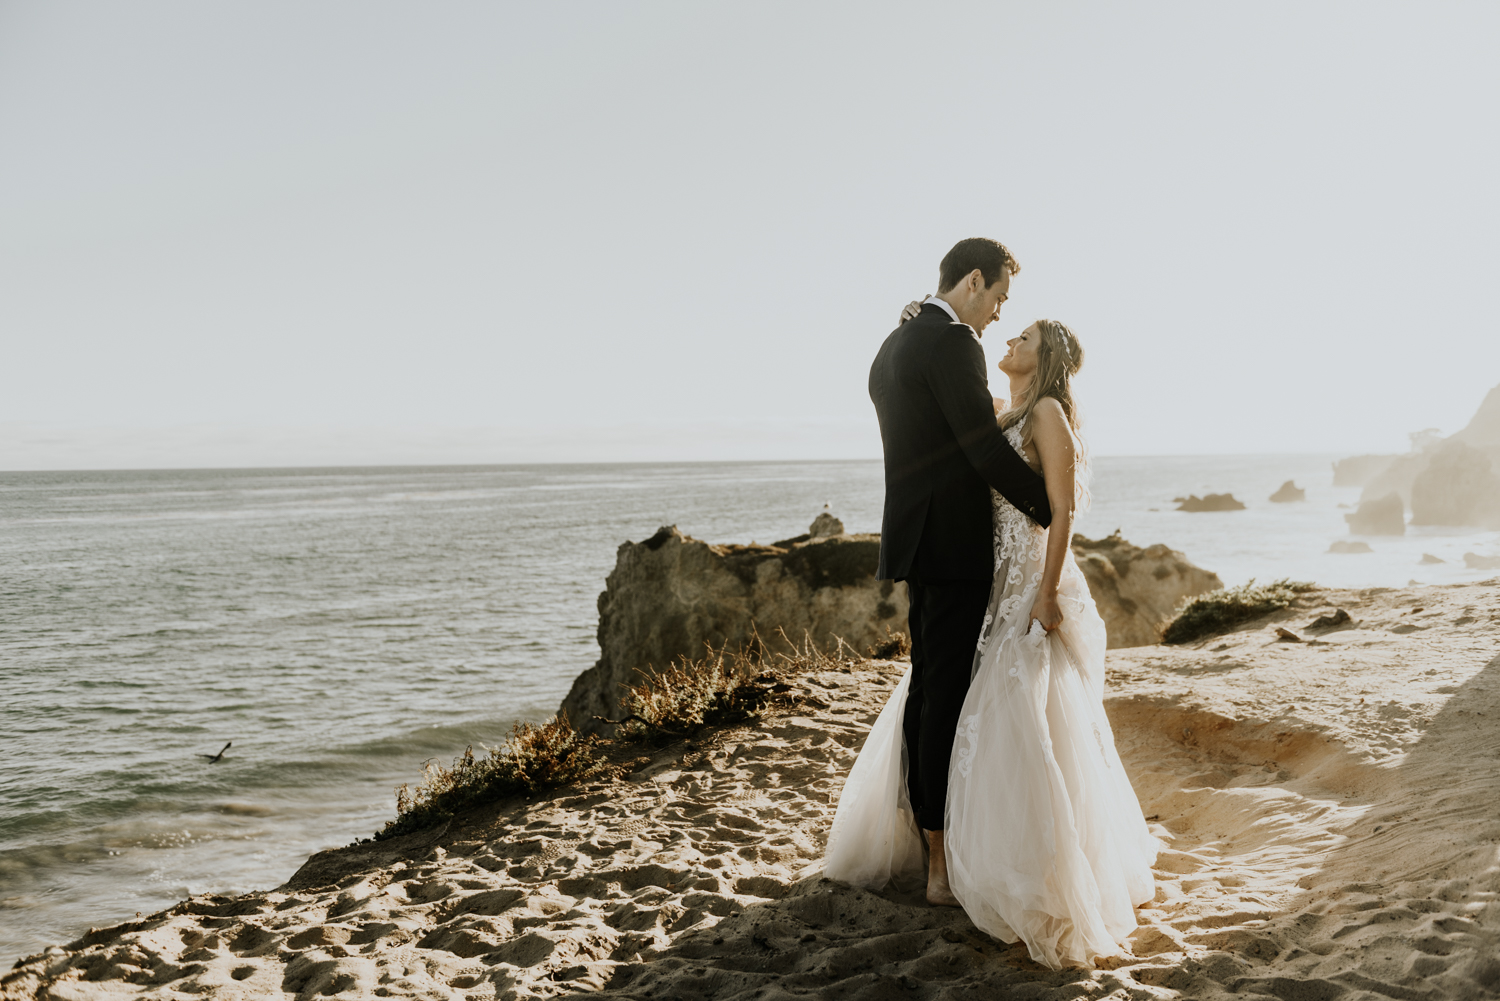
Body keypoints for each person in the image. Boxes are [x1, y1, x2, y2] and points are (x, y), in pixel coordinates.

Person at [825, 278, 1159, 968]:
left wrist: (1045, 593)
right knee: (961, 697)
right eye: (1007, 318)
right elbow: (956, 434)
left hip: (1027, 582)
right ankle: (954, 845)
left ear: (1047, 359)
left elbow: (1060, 510)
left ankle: (1023, 854)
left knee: (1017, 710)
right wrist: (913, 327)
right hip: (987, 578)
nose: (1008, 334)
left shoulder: (1047, 418)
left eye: (1024, 335)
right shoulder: (1004, 413)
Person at [851, 237, 1053, 914]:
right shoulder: (953, 342)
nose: (997, 314)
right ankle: (940, 865)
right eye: (998, 296)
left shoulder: (896, 342)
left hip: (917, 542)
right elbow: (981, 445)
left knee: (928, 692)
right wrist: (1047, 505)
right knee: (945, 698)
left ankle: (923, 839)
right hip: (954, 546)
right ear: (973, 280)